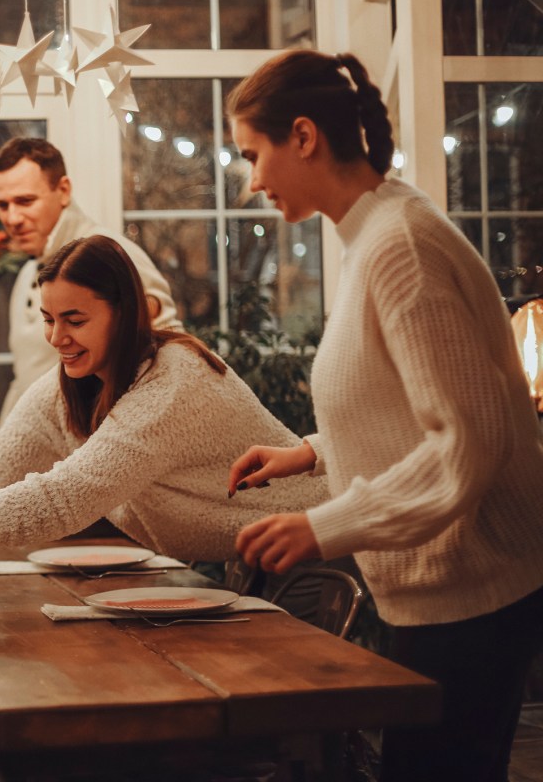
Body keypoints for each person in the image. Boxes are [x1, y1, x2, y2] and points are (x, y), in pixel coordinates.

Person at [224, 49, 543, 782]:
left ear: (303, 135)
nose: (253, 181)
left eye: (254, 154)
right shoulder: (376, 232)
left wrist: (321, 526)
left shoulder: (399, 245)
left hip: (476, 592)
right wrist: (311, 452)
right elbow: (405, 400)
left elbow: (469, 443)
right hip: (448, 595)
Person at [0, 234, 327, 604]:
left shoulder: (173, 379)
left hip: (316, 553)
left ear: (125, 312)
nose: (57, 337)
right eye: (49, 320)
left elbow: (65, 496)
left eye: (75, 320)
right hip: (248, 558)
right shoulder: (71, 382)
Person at [0, 137, 181, 425]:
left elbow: (166, 355)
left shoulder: (111, 254)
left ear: (63, 190)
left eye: (25, 201)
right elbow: (24, 383)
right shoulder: (26, 276)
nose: (12, 217)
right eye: (3, 205)